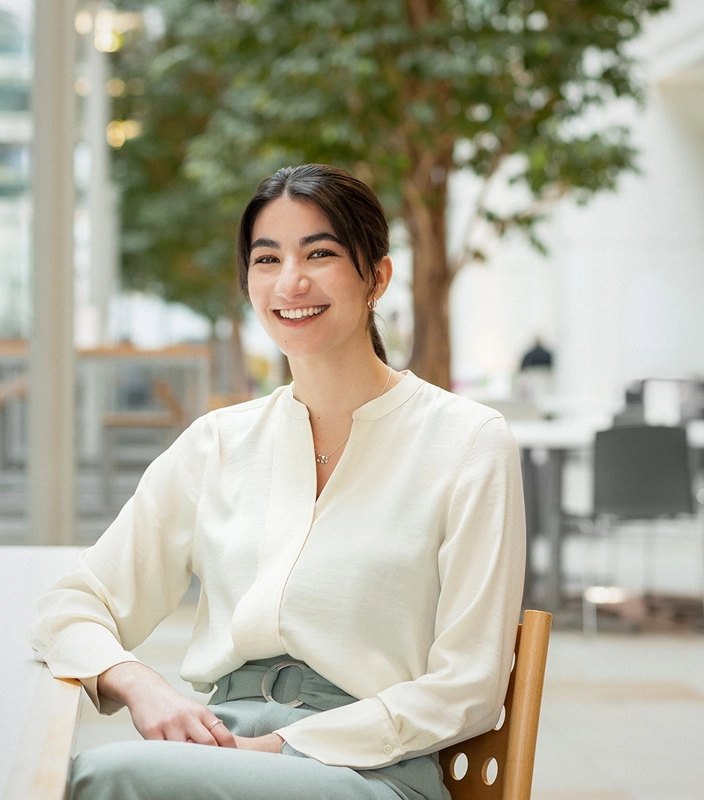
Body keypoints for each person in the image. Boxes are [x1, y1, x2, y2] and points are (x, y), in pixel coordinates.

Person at [29, 164, 526, 800]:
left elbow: (470, 685)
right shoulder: (218, 444)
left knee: (104, 780)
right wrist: (135, 679)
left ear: (377, 275)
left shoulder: (467, 441)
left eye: (319, 253)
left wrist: (280, 747)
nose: (291, 281)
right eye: (267, 260)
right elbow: (72, 605)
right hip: (223, 744)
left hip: (368, 768)